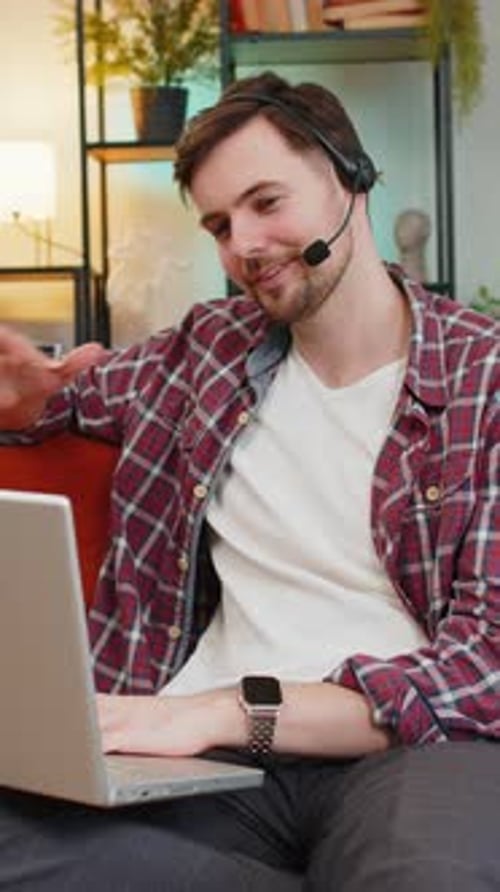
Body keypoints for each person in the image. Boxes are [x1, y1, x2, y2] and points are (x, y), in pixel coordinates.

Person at [0, 70, 499, 891]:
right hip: (212, 770)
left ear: (353, 177)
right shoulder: (203, 352)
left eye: (268, 204)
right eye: (221, 226)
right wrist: (22, 402)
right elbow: (56, 402)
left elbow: (485, 667)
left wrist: (223, 710)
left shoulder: (483, 375)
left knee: (425, 874)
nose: (245, 247)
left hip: (408, 749)